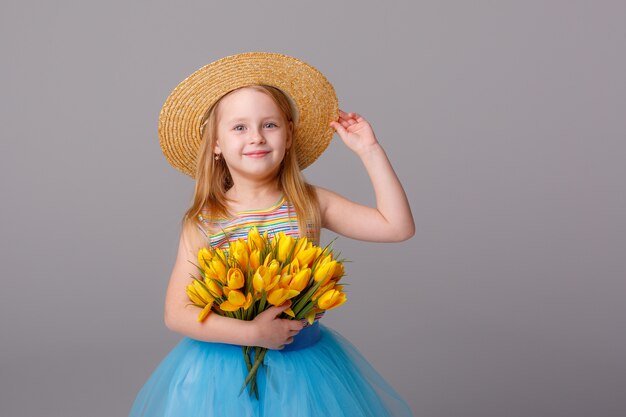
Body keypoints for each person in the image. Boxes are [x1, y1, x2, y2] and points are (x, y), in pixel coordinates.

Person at [129, 52, 415, 416]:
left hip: (303, 368)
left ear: (289, 134)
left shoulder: (309, 203)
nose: (256, 138)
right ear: (215, 144)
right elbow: (176, 314)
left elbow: (397, 226)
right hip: (223, 374)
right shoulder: (205, 220)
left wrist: (369, 151)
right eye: (239, 128)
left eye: (270, 125)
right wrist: (252, 335)